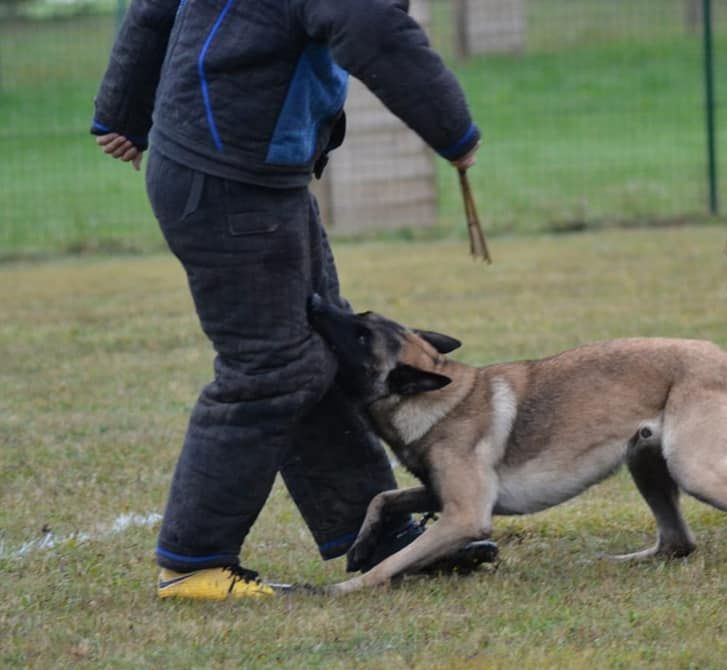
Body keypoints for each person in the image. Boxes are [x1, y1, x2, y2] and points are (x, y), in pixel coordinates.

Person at [91, 0, 496, 599]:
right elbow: (370, 26)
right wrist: (452, 130)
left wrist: (124, 109)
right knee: (272, 366)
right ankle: (192, 563)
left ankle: (376, 533)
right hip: (227, 175)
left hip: (251, 170)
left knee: (323, 348)